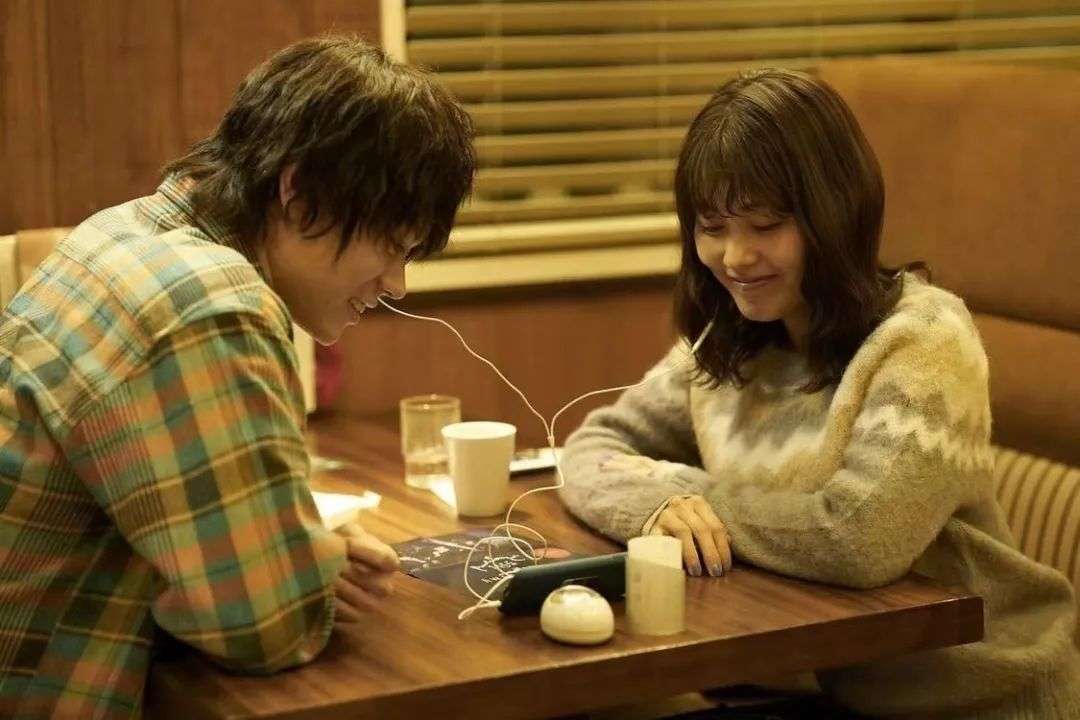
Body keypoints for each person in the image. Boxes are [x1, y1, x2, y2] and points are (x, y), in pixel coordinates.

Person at [558, 69, 1079, 718]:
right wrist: (652, 505)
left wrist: (688, 494)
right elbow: (589, 448)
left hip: (979, 697)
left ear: (833, 216)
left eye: (765, 225)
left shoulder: (924, 339)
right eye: (713, 227)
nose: (735, 257)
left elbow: (858, 538)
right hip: (811, 686)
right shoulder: (734, 338)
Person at [0, 35, 474, 718]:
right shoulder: (209, 304)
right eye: (392, 246)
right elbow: (265, 628)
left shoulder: (121, 232)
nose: (396, 283)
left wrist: (293, 548)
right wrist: (297, 572)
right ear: (299, 194)